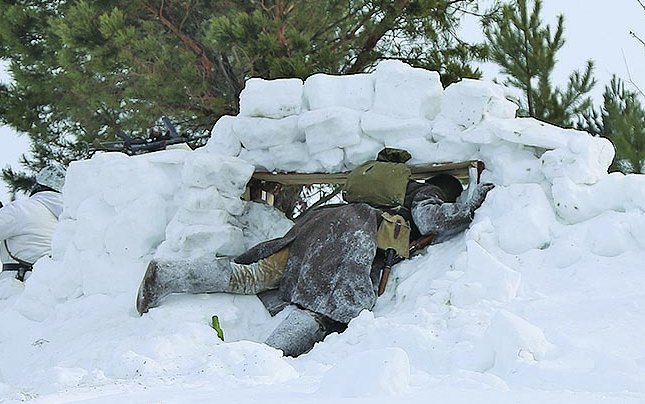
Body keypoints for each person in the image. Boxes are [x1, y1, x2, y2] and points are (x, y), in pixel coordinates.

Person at [135, 148, 493, 356]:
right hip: (351, 237)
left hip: (320, 223)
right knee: (325, 308)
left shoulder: (386, 186)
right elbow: (430, 217)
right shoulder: (425, 193)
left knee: (253, 274)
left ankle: (168, 274)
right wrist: (469, 204)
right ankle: (269, 356)